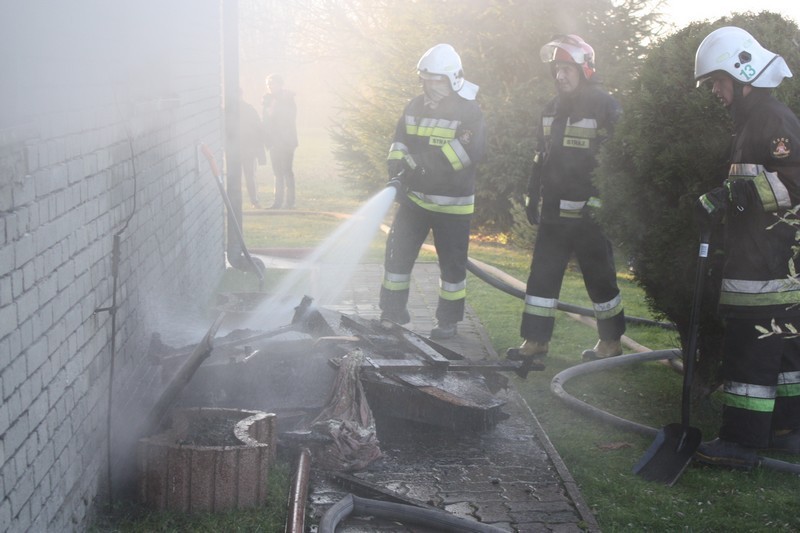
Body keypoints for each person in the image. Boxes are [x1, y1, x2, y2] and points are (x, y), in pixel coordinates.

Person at [692, 26, 800, 468]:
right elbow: (754, 181)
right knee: (784, 351)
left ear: (744, 75)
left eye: (718, 82)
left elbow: (792, 182)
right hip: (766, 257)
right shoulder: (754, 122)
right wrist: (721, 197)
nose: (715, 91)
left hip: (766, 262)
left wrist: (731, 197)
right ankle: (789, 431)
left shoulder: (772, 120)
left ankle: (741, 441)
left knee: (749, 347)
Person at [506, 34, 625, 363]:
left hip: (590, 214)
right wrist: (533, 196)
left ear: (585, 69)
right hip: (555, 212)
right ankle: (535, 341)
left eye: (567, 69)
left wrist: (599, 204)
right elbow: (540, 157)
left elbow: (617, 162)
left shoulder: (606, 106)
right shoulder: (551, 108)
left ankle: (612, 342)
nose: (560, 76)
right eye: (557, 69)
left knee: (601, 280)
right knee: (541, 278)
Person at [381, 43, 486, 340]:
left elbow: (465, 152)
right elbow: (399, 142)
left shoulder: (470, 112)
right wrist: (397, 169)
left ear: (452, 79)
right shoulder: (414, 106)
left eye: (435, 79)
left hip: (452, 206)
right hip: (414, 202)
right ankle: (392, 313)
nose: (428, 85)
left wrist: (419, 166)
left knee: (451, 270)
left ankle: (448, 322)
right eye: (425, 79)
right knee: (396, 260)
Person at [262, 74, 298, 209]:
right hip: (273, 141)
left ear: (280, 84)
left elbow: (289, 118)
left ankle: (290, 202)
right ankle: (277, 202)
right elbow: (265, 119)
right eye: (268, 84)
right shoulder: (267, 99)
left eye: (273, 84)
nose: (270, 87)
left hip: (287, 141)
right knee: (277, 172)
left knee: (287, 171)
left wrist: (274, 110)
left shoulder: (288, 98)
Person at [240, 89, 267, 208]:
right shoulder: (249, 109)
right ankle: (254, 201)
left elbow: (258, 129)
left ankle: (254, 200)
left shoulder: (247, 110)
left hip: (246, 149)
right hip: (245, 149)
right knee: (250, 175)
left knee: (249, 175)